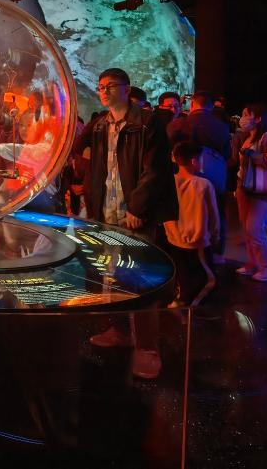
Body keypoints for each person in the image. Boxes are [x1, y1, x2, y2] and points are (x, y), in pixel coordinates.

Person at [72, 68, 177, 379]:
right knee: (112, 276)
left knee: (140, 280)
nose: (103, 91)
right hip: (106, 210)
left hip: (133, 213)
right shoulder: (101, 124)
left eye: (110, 86)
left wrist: (138, 206)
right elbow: (91, 162)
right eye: (100, 86)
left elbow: (155, 169)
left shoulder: (147, 122)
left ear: (127, 89)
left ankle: (147, 347)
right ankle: (120, 330)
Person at [167, 91, 232, 260]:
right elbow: (227, 155)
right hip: (214, 177)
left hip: (183, 176)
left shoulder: (177, 124)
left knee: (185, 211)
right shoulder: (221, 127)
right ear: (211, 106)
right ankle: (216, 252)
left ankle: (183, 247)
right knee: (216, 211)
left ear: (192, 104)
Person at [163, 141, 218, 307]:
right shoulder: (204, 184)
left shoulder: (168, 183)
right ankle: (190, 306)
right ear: (194, 161)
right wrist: (215, 235)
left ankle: (180, 300)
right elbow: (213, 215)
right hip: (198, 241)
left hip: (173, 239)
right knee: (208, 278)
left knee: (182, 273)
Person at [234, 104, 267, 282]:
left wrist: (253, 156)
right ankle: (253, 263)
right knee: (247, 229)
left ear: (258, 118)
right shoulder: (248, 136)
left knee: (255, 229)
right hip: (245, 187)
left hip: (263, 190)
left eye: (247, 115)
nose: (243, 118)